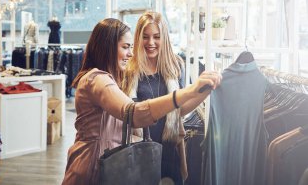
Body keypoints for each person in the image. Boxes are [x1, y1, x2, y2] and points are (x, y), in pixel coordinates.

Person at [62, 18, 221, 185]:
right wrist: (189, 91)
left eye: (130, 47)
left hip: (117, 162)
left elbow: (174, 111)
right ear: (107, 47)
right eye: (125, 47)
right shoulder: (98, 79)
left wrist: (201, 92)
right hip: (95, 167)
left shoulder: (113, 78)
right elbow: (134, 113)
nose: (130, 53)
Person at [122, 11, 188, 184]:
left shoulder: (176, 67)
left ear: (164, 38)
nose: (151, 43)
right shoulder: (129, 70)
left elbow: (181, 110)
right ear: (138, 38)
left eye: (156, 37)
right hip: (139, 155)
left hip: (169, 152)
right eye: (145, 37)